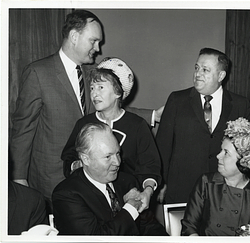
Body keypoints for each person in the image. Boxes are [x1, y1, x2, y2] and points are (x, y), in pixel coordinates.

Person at [9, 10, 160, 206]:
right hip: (51, 181)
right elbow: (22, 131)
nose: (98, 48)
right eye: (94, 41)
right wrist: (19, 178)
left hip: (90, 182)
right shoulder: (38, 73)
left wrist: (153, 114)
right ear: (74, 37)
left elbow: (110, 107)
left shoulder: (93, 72)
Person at [61, 57, 161, 212]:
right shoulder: (83, 124)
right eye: (92, 88)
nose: (94, 94)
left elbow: (150, 167)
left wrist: (147, 191)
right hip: (92, 202)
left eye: (100, 87)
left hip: (131, 200)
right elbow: (69, 158)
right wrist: (78, 164)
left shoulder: (137, 125)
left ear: (118, 92)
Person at [156, 47, 250, 204]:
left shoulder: (241, 105)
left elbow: (247, 155)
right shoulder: (176, 100)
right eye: (196, 68)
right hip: (182, 190)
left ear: (221, 75)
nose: (197, 74)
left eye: (205, 70)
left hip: (225, 191)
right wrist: (160, 183)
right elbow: (163, 147)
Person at [52, 123, 168, 236]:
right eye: (108, 157)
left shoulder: (127, 181)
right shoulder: (67, 194)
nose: (117, 162)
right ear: (86, 159)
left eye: (118, 153)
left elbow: (150, 228)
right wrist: (131, 208)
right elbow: (96, 239)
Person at [181, 117, 250, 236]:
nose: (218, 156)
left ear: (245, 161)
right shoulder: (206, 183)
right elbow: (189, 227)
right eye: (221, 150)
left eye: (226, 153)